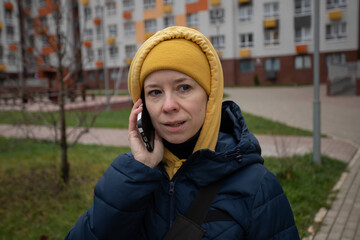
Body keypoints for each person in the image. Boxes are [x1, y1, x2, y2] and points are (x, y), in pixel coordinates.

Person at [65, 26, 300, 239]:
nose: (168, 106)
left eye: (184, 87)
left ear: (210, 96)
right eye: (155, 92)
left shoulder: (258, 188)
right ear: (141, 106)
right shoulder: (131, 178)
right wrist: (138, 174)